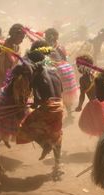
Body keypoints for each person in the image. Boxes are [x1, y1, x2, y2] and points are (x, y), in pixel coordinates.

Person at [16, 41, 63, 170]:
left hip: (48, 107)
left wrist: (26, 105)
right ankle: (57, 165)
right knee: (56, 134)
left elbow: (38, 101)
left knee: (25, 126)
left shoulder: (37, 76)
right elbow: (60, 92)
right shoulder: (54, 71)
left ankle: (44, 144)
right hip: (60, 106)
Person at [0, 63, 32, 151]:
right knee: (3, 127)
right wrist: (21, 109)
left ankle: (3, 140)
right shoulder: (20, 81)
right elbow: (18, 98)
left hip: (9, 101)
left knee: (5, 127)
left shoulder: (19, 79)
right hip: (9, 103)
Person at [45, 28, 78, 119]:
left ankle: (66, 111)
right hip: (52, 71)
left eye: (54, 36)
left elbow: (64, 59)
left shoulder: (59, 47)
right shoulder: (44, 46)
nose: (52, 38)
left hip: (61, 72)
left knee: (63, 92)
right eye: (50, 36)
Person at [75, 55, 104, 136]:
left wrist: (79, 106)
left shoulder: (83, 79)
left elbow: (82, 94)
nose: (78, 69)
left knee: (98, 126)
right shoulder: (97, 74)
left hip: (94, 105)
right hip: (103, 102)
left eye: (78, 66)